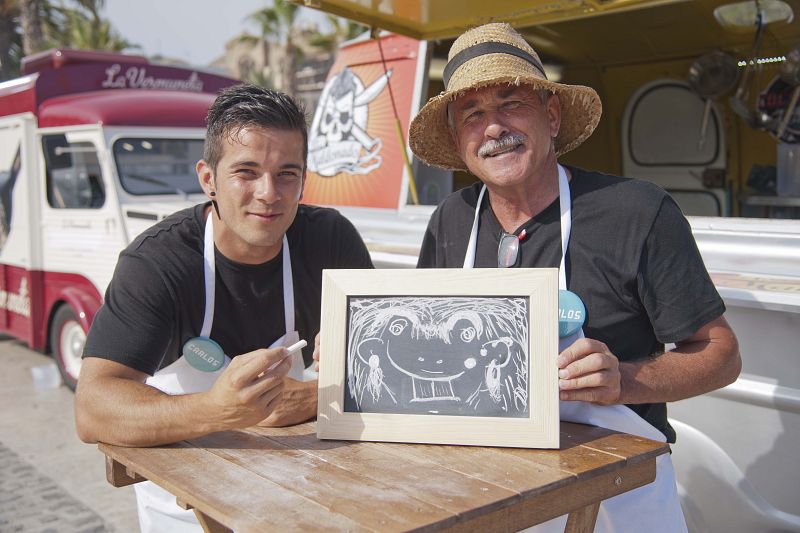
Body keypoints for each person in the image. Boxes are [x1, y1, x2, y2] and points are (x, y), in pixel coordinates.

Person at [408, 22, 740, 532]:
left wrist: (623, 381)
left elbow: (721, 354)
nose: (493, 128)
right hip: (483, 484)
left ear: (553, 114)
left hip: (618, 488)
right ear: (458, 138)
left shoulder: (637, 210)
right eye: (472, 114)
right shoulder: (452, 219)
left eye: (510, 102)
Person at [75, 84, 373, 531]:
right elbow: (92, 408)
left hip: (304, 490)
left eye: (286, 173)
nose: (269, 192)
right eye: (246, 171)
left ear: (304, 179)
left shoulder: (330, 241)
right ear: (208, 178)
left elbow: (388, 361)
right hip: (183, 506)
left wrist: (319, 394)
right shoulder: (158, 263)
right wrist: (219, 409)